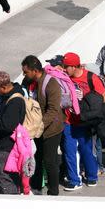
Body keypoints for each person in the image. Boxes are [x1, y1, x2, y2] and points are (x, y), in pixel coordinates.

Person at [21, 55, 64, 196]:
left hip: (51, 130)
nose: (24, 74)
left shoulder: (51, 83)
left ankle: (53, 193)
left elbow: (53, 110)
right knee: (36, 159)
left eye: (26, 72)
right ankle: (36, 189)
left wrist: (39, 126)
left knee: (50, 161)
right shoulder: (31, 83)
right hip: (38, 130)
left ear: (34, 70)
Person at [62, 52, 102, 190]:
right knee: (69, 150)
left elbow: (103, 97)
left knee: (86, 150)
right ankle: (75, 180)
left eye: (66, 66)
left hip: (84, 121)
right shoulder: (65, 78)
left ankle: (92, 176)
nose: (64, 69)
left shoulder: (91, 77)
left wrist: (84, 99)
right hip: (68, 120)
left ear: (74, 66)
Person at [0, 71, 25, 194]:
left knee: (4, 180)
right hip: (9, 146)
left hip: (7, 147)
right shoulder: (10, 96)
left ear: (4, 87)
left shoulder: (14, 102)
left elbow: (7, 125)